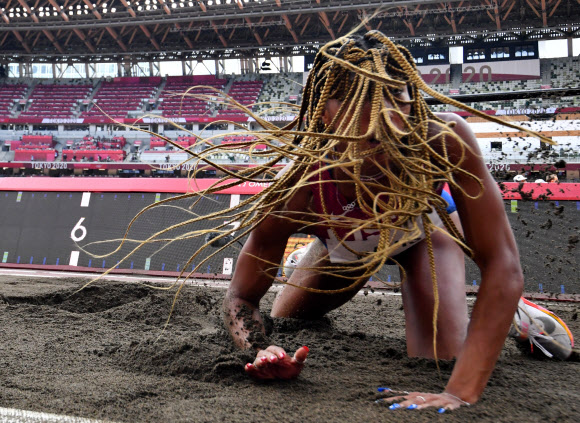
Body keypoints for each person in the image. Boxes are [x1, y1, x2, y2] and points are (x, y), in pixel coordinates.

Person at [221, 31, 574, 412]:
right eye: (366, 105)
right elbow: (241, 298)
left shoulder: (445, 140)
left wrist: (458, 393)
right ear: (324, 110)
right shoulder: (298, 187)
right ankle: (318, 252)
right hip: (348, 247)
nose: (387, 118)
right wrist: (259, 350)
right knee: (287, 322)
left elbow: (502, 264)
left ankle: (513, 312)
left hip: (426, 236)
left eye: (396, 97)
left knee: (439, 361)